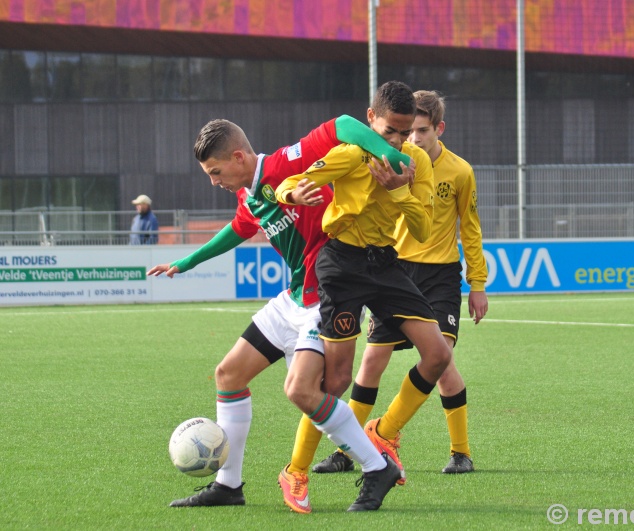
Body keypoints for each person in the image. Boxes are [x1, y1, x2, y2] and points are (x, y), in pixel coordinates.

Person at [148, 115, 407, 512]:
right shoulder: (248, 195)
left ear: (238, 157)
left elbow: (342, 126)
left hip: (327, 296)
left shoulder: (289, 162)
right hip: (294, 298)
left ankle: (377, 466)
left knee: (303, 391)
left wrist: (387, 152)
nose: (213, 181)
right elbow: (238, 228)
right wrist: (188, 261)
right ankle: (227, 485)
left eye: (216, 172)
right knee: (228, 375)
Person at [275, 81, 452, 497]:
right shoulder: (350, 154)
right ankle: (295, 471)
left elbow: (424, 229)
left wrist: (401, 190)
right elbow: (287, 183)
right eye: (389, 131)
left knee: (438, 355)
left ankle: (384, 432)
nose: (398, 142)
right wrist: (293, 193)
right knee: (335, 383)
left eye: (406, 133)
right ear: (369, 120)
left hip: (386, 264)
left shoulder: (414, 164)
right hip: (341, 266)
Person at [313, 90, 488, 476]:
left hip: (440, 274)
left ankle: (456, 450)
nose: (411, 140)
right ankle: (347, 449)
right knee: (372, 360)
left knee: (442, 358)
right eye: (407, 131)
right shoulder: (385, 156)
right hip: (394, 267)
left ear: (437, 128)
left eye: (420, 131)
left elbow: (470, 229)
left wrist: (478, 283)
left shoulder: (459, 171)